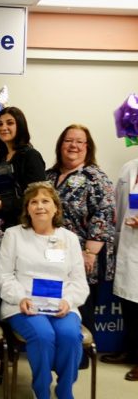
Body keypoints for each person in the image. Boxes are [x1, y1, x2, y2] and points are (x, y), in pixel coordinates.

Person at [0, 182, 89, 399]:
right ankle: (41, 390)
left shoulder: (69, 239)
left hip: (62, 304)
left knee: (70, 335)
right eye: (33, 202)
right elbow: (3, 275)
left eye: (45, 201)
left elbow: (78, 281)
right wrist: (20, 298)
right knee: (43, 335)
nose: (40, 206)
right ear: (27, 208)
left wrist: (69, 301)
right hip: (23, 304)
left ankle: (65, 389)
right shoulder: (13, 235)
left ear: (56, 207)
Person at [46, 124, 115, 368]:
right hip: (53, 253)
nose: (73, 146)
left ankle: (79, 358)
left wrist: (90, 253)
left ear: (88, 147)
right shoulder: (49, 176)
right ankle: (59, 353)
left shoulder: (95, 178)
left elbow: (104, 215)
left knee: (80, 304)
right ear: (60, 145)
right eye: (68, 140)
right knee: (57, 302)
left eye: (79, 141)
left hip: (84, 254)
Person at [0, 106, 46, 238]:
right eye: (0, 124)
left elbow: (37, 196)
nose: (4, 127)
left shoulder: (31, 156)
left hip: (23, 226)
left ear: (20, 126)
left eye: (10, 123)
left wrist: (2, 204)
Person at [104, 157, 138, 380]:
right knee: (130, 305)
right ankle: (131, 351)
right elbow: (118, 206)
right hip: (128, 244)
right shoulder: (129, 167)